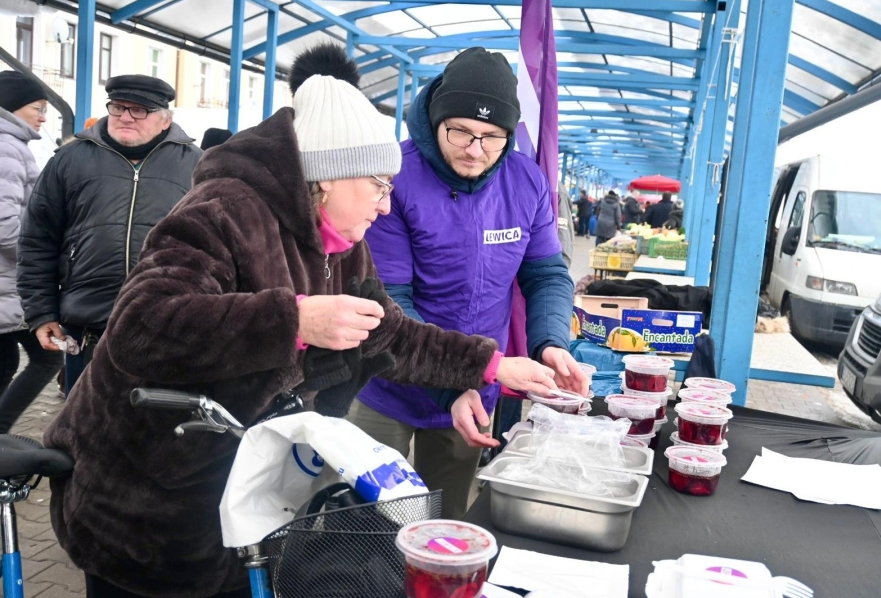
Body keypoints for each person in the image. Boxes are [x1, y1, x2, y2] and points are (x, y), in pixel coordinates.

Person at [42, 45, 557, 598]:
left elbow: (386, 330)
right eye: (379, 185)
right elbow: (140, 327)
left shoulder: (342, 242)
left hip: (236, 491)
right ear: (330, 177)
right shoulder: (224, 210)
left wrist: (492, 365)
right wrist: (292, 321)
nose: (386, 205)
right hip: (144, 495)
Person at [348, 47, 589, 520]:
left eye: (492, 136)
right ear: (436, 119)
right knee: (367, 518)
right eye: (460, 131)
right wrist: (452, 383)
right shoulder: (394, 178)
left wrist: (550, 343)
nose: (475, 150)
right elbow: (392, 301)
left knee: (446, 520)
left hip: (476, 387)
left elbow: (545, 273)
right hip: (389, 379)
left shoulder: (527, 182)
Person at [17, 74, 202, 396]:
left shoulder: (197, 166)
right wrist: (41, 312)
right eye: (118, 107)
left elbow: (214, 245)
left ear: (165, 120)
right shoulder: (69, 160)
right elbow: (38, 241)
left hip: (168, 324)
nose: (125, 117)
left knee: (159, 420)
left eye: (139, 110)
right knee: (84, 419)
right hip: (88, 324)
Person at [0, 71, 64, 433]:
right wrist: (42, 256)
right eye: (37, 108)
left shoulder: (12, 144)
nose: (42, 117)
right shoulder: (6, 146)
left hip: (8, 282)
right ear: (11, 108)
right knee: (46, 357)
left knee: (7, 364)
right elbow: (4, 226)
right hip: (9, 281)